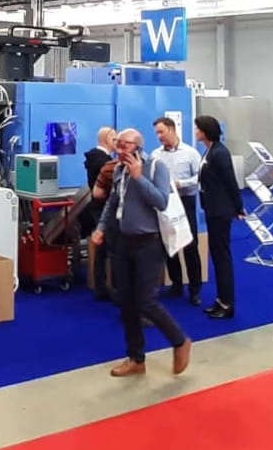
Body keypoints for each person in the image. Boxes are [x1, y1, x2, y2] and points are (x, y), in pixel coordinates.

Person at [91, 127, 192, 378]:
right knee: (126, 302)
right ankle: (136, 358)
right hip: (123, 242)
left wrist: (139, 178)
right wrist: (101, 228)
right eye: (117, 144)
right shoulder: (118, 169)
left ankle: (180, 341)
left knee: (146, 301)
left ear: (137, 146)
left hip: (149, 243)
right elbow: (113, 202)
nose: (119, 149)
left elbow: (161, 201)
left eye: (124, 145)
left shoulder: (156, 166)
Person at [195, 115, 244, 320]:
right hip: (212, 209)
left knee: (222, 257)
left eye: (198, 128)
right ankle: (220, 299)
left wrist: (239, 207)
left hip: (221, 211)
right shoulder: (210, 150)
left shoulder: (219, 153)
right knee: (216, 255)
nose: (195, 131)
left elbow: (230, 181)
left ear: (206, 131)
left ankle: (227, 303)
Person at [151, 116, 203, 304]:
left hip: (186, 201)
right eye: (157, 133)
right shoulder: (155, 155)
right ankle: (176, 283)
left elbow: (200, 177)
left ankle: (195, 289)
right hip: (165, 204)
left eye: (161, 131)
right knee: (169, 244)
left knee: (190, 246)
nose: (159, 136)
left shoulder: (191, 153)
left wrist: (182, 183)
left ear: (172, 129)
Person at [81, 127, 117, 300]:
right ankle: (112, 289)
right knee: (110, 248)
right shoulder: (105, 162)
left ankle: (101, 286)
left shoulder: (93, 158)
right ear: (107, 139)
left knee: (101, 250)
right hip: (104, 208)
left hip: (97, 208)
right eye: (115, 139)